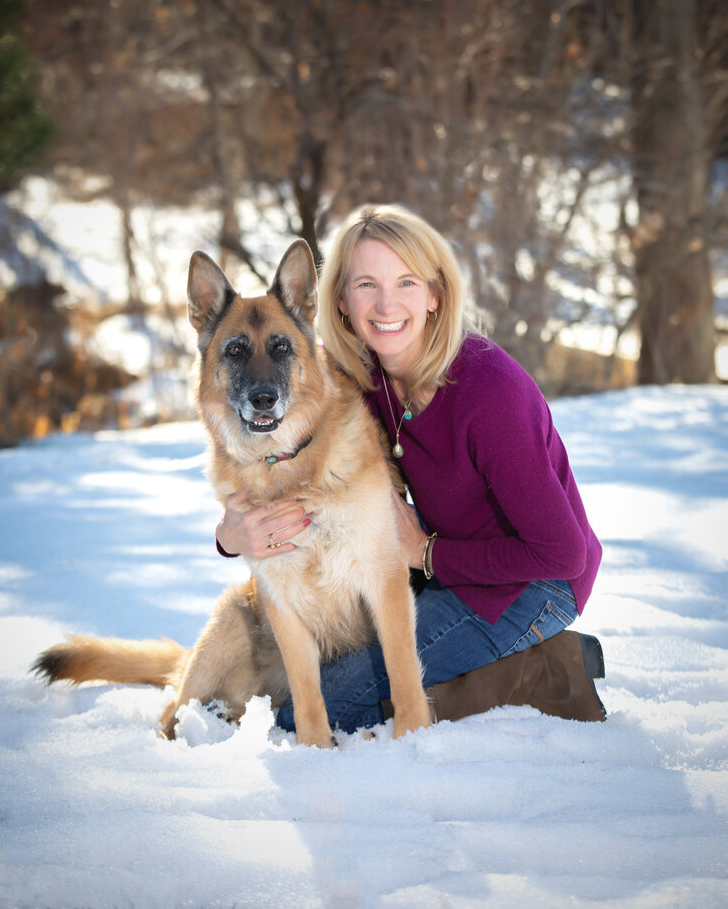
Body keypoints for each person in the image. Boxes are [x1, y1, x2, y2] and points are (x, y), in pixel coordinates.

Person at [216, 203, 607, 735]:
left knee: (327, 706)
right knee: (328, 678)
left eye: (406, 282)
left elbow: (562, 554)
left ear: (435, 294)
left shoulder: (491, 392)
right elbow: (283, 435)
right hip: (445, 563)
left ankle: (547, 668)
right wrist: (232, 535)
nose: (386, 305)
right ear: (341, 301)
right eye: (367, 285)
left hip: (534, 584)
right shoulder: (357, 372)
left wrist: (425, 552)